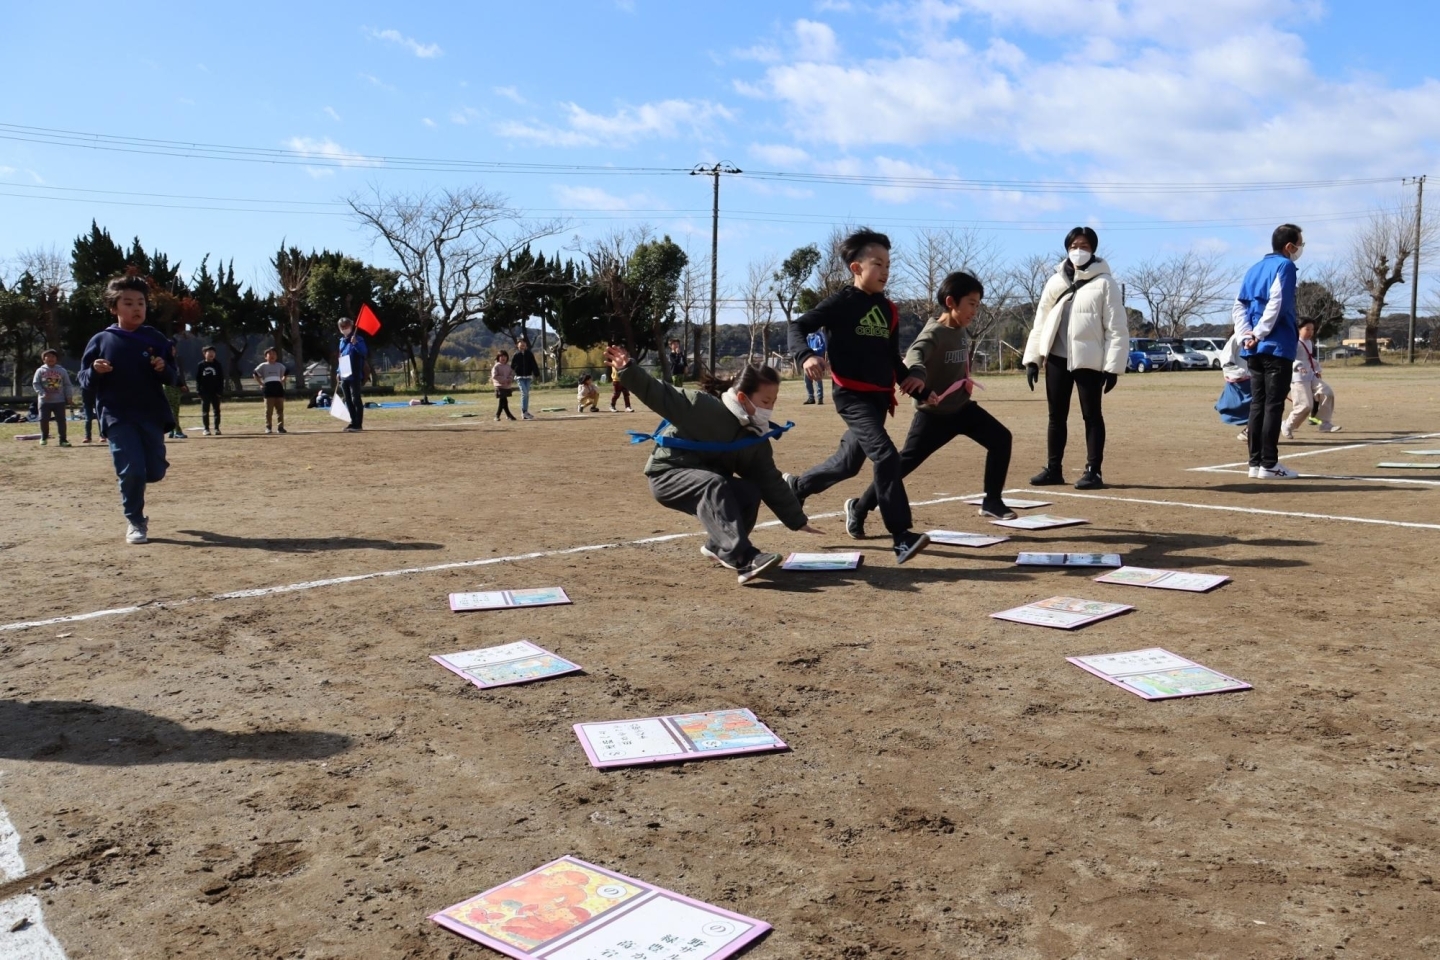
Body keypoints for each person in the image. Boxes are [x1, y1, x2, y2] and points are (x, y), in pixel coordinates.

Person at [605, 343, 820, 585]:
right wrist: (628, 369)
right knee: (714, 484)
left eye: (773, 401)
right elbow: (658, 393)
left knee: (749, 492)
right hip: (668, 475)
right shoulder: (702, 407)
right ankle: (744, 558)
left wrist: (797, 519)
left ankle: (720, 547)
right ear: (742, 397)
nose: (770, 409)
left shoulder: (754, 438)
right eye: (765, 401)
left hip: (707, 481)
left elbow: (768, 478)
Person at [786, 227, 931, 564]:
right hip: (852, 397)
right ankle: (902, 537)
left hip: (880, 400)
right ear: (856, 267)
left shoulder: (889, 309)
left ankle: (798, 487)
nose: (885, 271)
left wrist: (909, 380)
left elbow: (892, 356)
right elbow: (797, 326)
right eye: (877, 263)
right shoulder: (841, 303)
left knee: (848, 465)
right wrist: (806, 355)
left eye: (888, 265)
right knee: (887, 456)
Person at [847, 271, 1015, 536]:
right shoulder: (933, 333)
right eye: (971, 303)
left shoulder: (960, 329)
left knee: (1001, 438)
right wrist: (915, 374)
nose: (975, 310)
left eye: (978, 305)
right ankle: (859, 508)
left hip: (962, 408)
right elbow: (915, 354)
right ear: (951, 302)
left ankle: (992, 500)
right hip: (934, 415)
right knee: (899, 467)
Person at [1022, 227, 1127, 490]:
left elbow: (1116, 327)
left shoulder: (1105, 283)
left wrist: (1112, 367)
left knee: (1092, 416)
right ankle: (1053, 468)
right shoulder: (1055, 281)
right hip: (1057, 358)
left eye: (1085, 246)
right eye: (1074, 245)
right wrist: (1033, 359)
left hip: (1089, 361)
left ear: (1093, 249)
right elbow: (1041, 323)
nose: (1078, 250)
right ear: (1067, 247)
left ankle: (1094, 471)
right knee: (1056, 416)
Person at [79, 275, 180, 544]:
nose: (137, 308)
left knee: (154, 471)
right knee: (132, 469)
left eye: (141, 303)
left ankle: (135, 479)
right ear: (114, 308)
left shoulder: (156, 338)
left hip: (151, 413)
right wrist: (95, 370)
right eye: (129, 303)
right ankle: (135, 519)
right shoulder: (102, 340)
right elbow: (84, 380)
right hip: (117, 414)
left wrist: (163, 369)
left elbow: (173, 376)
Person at [1233, 224, 1304, 479]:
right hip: (1275, 345)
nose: (1300, 249)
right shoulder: (1284, 266)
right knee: (1273, 405)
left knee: (1258, 404)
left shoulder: (1253, 268)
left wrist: (1245, 335)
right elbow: (1278, 302)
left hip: (1254, 349)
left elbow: (1239, 305)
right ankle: (1270, 464)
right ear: (1289, 246)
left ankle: (1255, 463)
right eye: (1299, 244)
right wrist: (1259, 333)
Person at [1282, 317, 1340, 437]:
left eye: (1312, 329)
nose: (1310, 332)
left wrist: (1317, 368)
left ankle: (1325, 423)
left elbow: (1309, 358)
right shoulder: (1293, 342)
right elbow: (1287, 359)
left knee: (1327, 392)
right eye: (1307, 329)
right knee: (1305, 406)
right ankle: (1287, 424)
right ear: (1298, 329)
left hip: (1311, 375)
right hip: (1298, 378)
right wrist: (1298, 366)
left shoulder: (1309, 342)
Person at [33, 349, 76, 447]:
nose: (51, 358)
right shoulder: (40, 371)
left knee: (61, 420)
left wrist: (69, 396)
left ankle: (63, 440)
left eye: (53, 356)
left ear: (56, 359)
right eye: (48, 356)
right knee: (43, 419)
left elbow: (67, 385)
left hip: (59, 400)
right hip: (44, 401)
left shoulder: (62, 370)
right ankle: (44, 437)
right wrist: (42, 392)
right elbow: (36, 384)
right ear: (44, 359)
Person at [1215, 333, 1252, 443]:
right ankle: (1249, 431)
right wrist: (1238, 374)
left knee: (1259, 407)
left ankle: (1251, 431)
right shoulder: (1236, 338)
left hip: (1252, 378)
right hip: (1241, 381)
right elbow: (1225, 360)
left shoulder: (1258, 337)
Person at [337, 317, 368, 432]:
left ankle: (358, 424)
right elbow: (341, 357)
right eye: (342, 327)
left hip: (354, 374)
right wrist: (338, 371)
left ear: (351, 326)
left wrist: (355, 344)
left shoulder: (358, 339)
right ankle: (352, 421)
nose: (345, 329)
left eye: (346, 326)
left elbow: (364, 353)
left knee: (356, 399)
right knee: (347, 400)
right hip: (344, 374)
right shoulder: (341, 342)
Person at [253, 347, 288, 435]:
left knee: (280, 410)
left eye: (274, 354)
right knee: (269, 411)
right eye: (270, 354)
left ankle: (280, 427)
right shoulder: (263, 365)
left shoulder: (279, 365)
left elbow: (286, 372)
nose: (272, 356)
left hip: (278, 389)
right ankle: (268, 427)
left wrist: (283, 380)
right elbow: (255, 373)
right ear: (266, 356)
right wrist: (261, 383)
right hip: (268, 389)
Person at [195, 345, 225, 435]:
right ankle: (206, 429)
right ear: (204, 354)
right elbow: (198, 379)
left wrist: (220, 391)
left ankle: (217, 428)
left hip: (215, 391)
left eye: (213, 352)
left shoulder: (218, 365)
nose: (212, 354)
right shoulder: (201, 365)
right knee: (205, 411)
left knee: (217, 410)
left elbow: (221, 378)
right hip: (204, 391)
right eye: (209, 352)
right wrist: (198, 390)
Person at [511, 335, 540, 420]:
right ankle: (524, 412)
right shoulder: (516, 355)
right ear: (517, 345)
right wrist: (511, 374)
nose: (522, 344)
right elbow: (512, 366)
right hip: (519, 377)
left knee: (526, 394)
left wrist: (536, 374)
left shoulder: (529, 354)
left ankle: (525, 412)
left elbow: (534, 364)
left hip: (528, 377)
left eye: (524, 343)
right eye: (521, 343)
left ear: (526, 345)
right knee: (524, 393)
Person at [163, 342, 189, 439]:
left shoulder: (168, 360)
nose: (174, 351)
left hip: (169, 387)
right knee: (174, 410)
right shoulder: (168, 361)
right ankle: (177, 431)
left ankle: (172, 431)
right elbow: (173, 376)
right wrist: (181, 385)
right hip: (171, 387)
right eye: (172, 349)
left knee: (171, 410)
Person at [802, 331, 827, 405]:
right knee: (807, 379)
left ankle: (820, 398)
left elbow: (823, 347)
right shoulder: (808, 337)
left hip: (817, 360)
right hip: (809, 360)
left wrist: (813, 351)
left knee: (817, 379)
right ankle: (811, 398)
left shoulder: (819, 335)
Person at [492, 350, 517, 422]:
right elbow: (494, 376)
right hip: (499, 386)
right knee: (503, 400)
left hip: (506, 386)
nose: (503, 358)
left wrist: (510, 379)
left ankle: (508, 415)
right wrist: (503, 380)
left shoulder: (508, 366)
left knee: (504, 401)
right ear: (498, 357)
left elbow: (511, 374)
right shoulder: (496, 366)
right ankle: (498, 415)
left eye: (505, 356)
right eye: (501, 356)